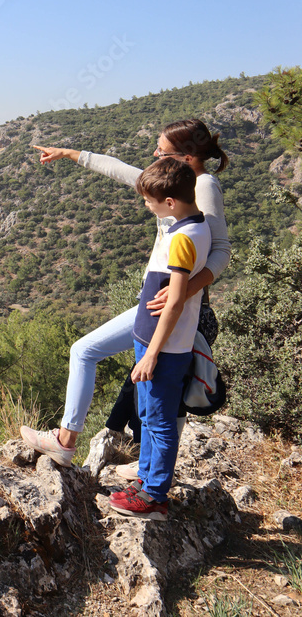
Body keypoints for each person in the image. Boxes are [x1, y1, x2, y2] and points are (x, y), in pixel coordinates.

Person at [20, 119, 230, 466]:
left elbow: (221, 250)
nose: (153, 155)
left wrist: (186, 290)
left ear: (188, 156)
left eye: (161, 151)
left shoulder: (203, 185)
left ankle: (139, 477)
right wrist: (71, 154)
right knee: (157, 396)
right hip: (161, 303)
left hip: (178, 309)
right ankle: (143, 477)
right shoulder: (173, 181)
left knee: (161, 399)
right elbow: (123, 171)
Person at [108, 158, 210, 519]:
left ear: (170, 202)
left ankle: (154, 497)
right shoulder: (194, 225)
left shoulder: (184, 237)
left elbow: (175, 302)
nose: (146, 205)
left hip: (163, 347)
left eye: (150, 200)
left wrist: (151, 354)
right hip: (156, 341)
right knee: (149, 415)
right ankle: (147, 480)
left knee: (160, 420)